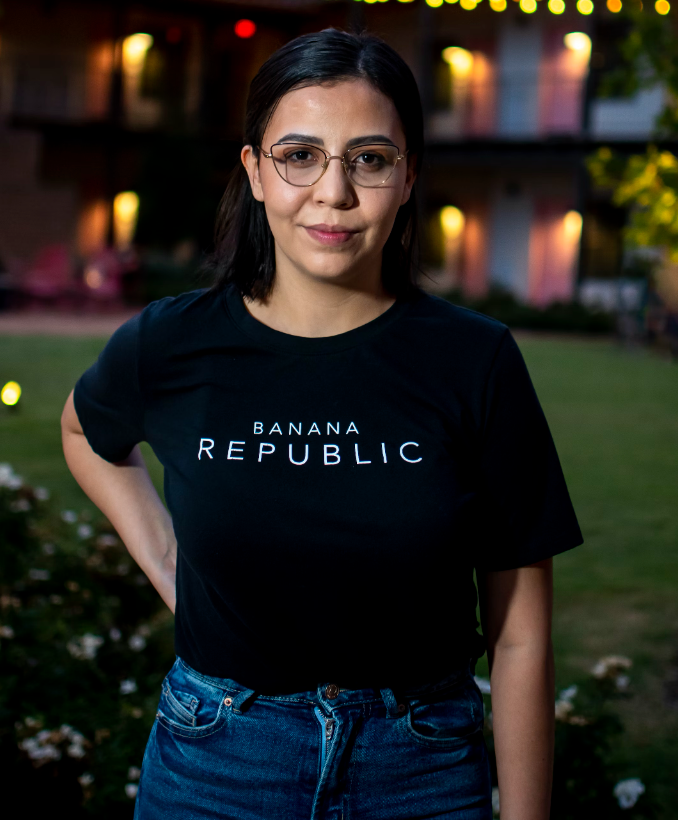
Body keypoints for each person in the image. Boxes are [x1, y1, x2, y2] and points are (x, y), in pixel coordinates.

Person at [61, 28, 583, 820]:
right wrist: (172, 568)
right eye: (299, 156)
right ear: (255, 173)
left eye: (369, 159)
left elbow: (519, 639)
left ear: (407, 177)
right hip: (215, 764)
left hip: (423, 768)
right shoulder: (171, 342)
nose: (332, 193)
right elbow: (83, 433)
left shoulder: (475, 361)